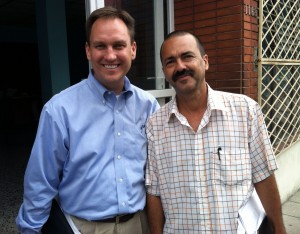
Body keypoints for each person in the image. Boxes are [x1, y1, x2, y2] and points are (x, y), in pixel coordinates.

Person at [16, 6, 159, 234]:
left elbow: (156, 173)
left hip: (139, 225)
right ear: (88, 51)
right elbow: (40, 182)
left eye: (119, 45)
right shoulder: (59, 110)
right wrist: (30, 230)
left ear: (132, 49)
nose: (110, 55)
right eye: (100, 45)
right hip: (83, 228)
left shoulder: (149, 106)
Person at [145, 30, 286, 233]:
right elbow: (154, 192)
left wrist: (280, 229)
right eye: (170, 61)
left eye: (187, 56)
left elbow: (263, 177)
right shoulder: (155, 125)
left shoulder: (245, 111)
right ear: (164, 71)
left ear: (205, 61)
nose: (180, 66)